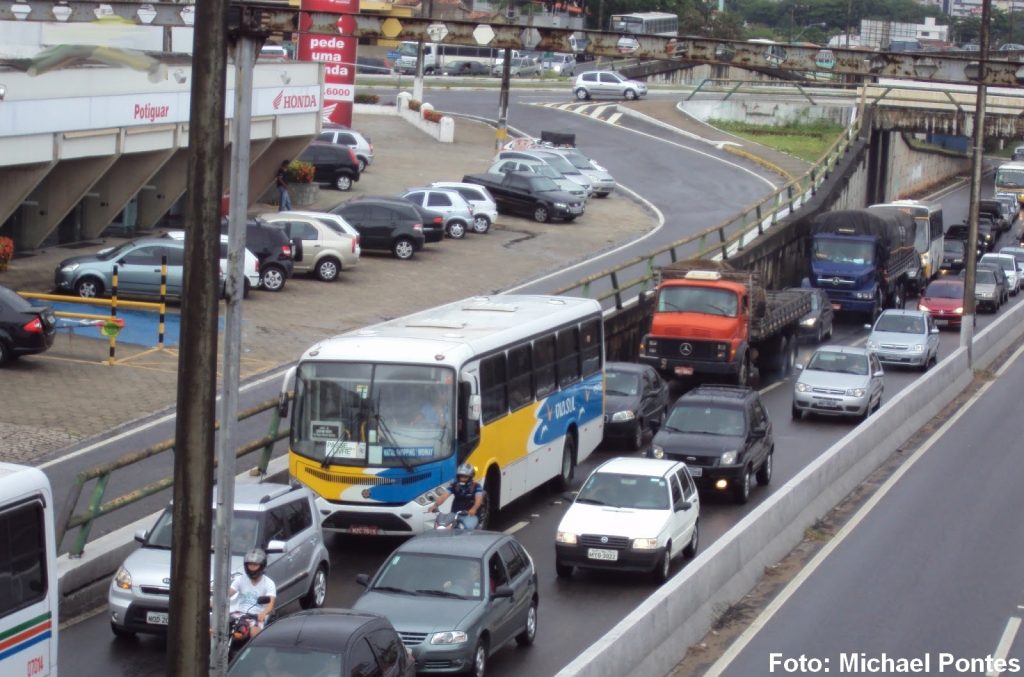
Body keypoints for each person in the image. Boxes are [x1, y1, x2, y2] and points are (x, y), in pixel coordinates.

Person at [229, 548, 276, 639]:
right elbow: (229, 592)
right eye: (250, 565)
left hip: (256, 617)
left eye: (255, 565)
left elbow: (271, 604)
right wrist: (215, 601)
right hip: (239, 614)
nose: (252, 567)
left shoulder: (269, 583)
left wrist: (263, 613)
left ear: (262, 566)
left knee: (255, 633)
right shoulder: (241, 579)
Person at [427, 463, 484, 529]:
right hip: (455, 513)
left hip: (470, 514)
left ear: (471, 477)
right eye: (461, 476)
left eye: (465, 477)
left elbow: (478, 500)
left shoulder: (476, 486)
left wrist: (474, 509)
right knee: (445, 526)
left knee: (468, 528)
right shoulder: (454, 485)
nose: (462, 479)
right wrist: (435, 505)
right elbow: (444, 496)